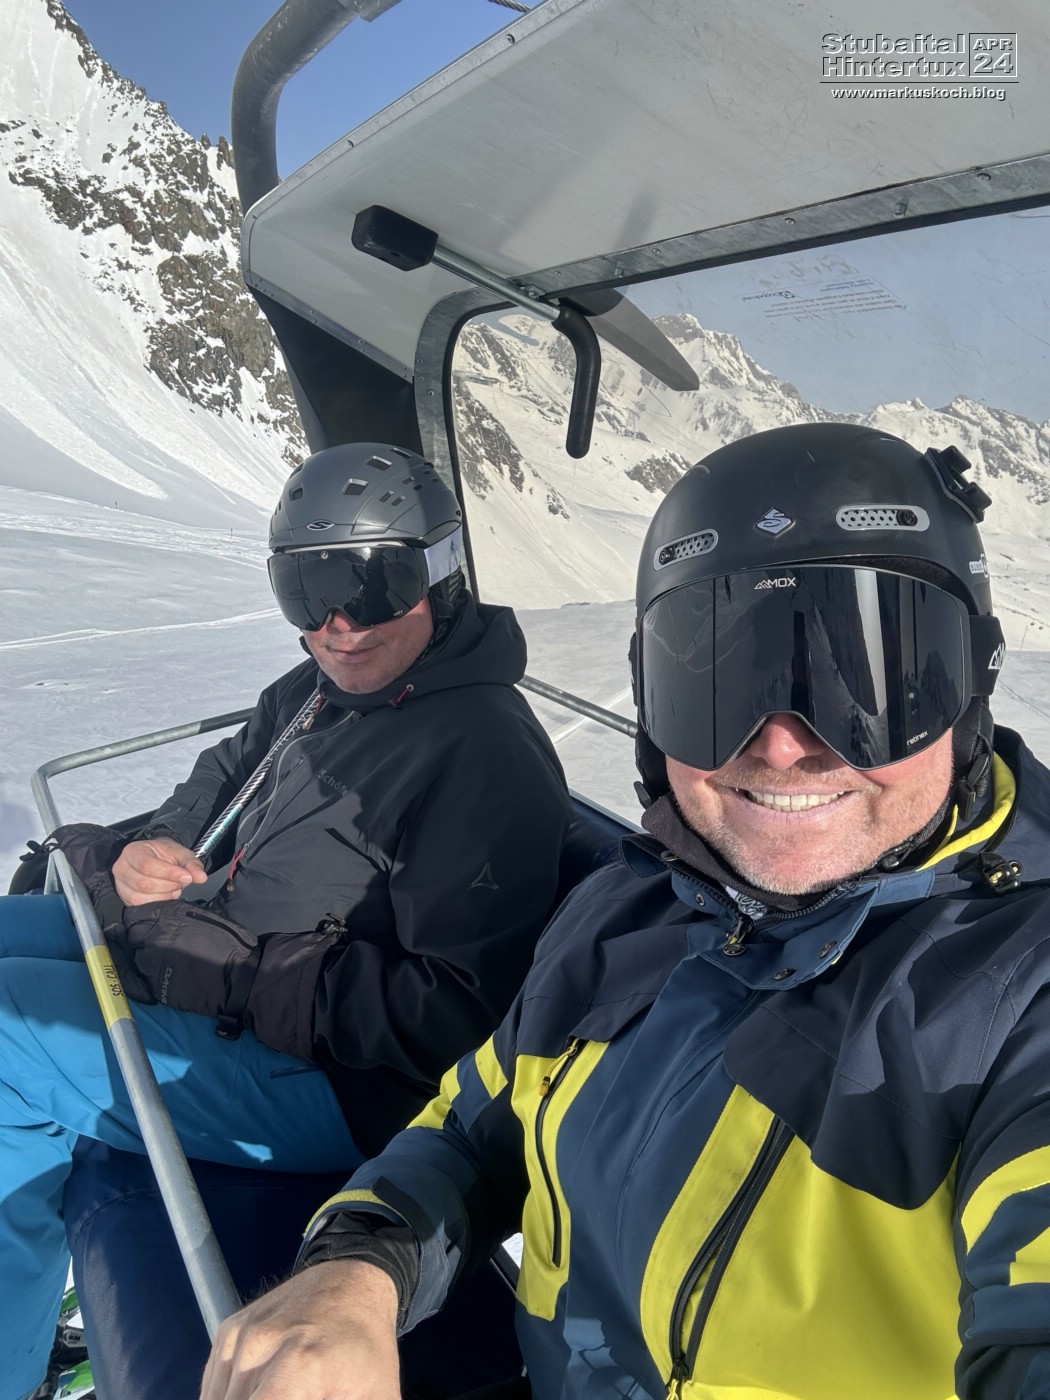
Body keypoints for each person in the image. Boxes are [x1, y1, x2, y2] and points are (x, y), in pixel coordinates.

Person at [202, 423, 1050, 1400]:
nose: (782, 745)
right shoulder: (625, 907)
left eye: (871, 685)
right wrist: (357, 1270)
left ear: (971, 686)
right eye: (718, 686)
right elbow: (474, 1131)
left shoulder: (1017, 993)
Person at [1, 442, 572, 1400]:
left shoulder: (483, 752)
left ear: (440, 577)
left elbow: (452, 1020)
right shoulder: (321, 690)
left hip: (335, 1085)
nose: (337, 625)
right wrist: (162, 843)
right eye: (305, 592)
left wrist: (230, 968)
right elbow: (227, 770)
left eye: (373, 586)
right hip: (206, 963)